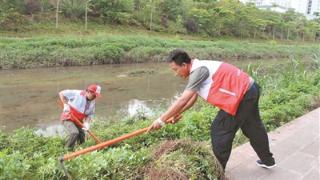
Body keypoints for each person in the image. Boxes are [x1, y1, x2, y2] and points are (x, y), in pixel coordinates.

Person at [148, 49, 276, 172]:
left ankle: (218, 172)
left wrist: (161, 120)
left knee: (220, 130)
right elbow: (192, 98)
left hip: (242, 96)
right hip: (250, 89)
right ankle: (268, 160)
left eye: (176, 70)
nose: (176, 74)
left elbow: (182, 100)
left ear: (184, 65)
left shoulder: (198, 71)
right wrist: (176, 114)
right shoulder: (199, 68)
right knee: (253, 127)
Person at [59, 84, 101, 150]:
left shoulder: (93, 102)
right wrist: (65, 105)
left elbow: (90, 115)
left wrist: (87, 123)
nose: (95, 97)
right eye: (94, 95)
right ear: (88, 92)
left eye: (96, 96)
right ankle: (67, 150)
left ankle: (81, 150)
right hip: (68, 117)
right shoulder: (77, 93)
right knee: (74, 132)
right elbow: (61, 93)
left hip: (78, 121)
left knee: (82, 136)